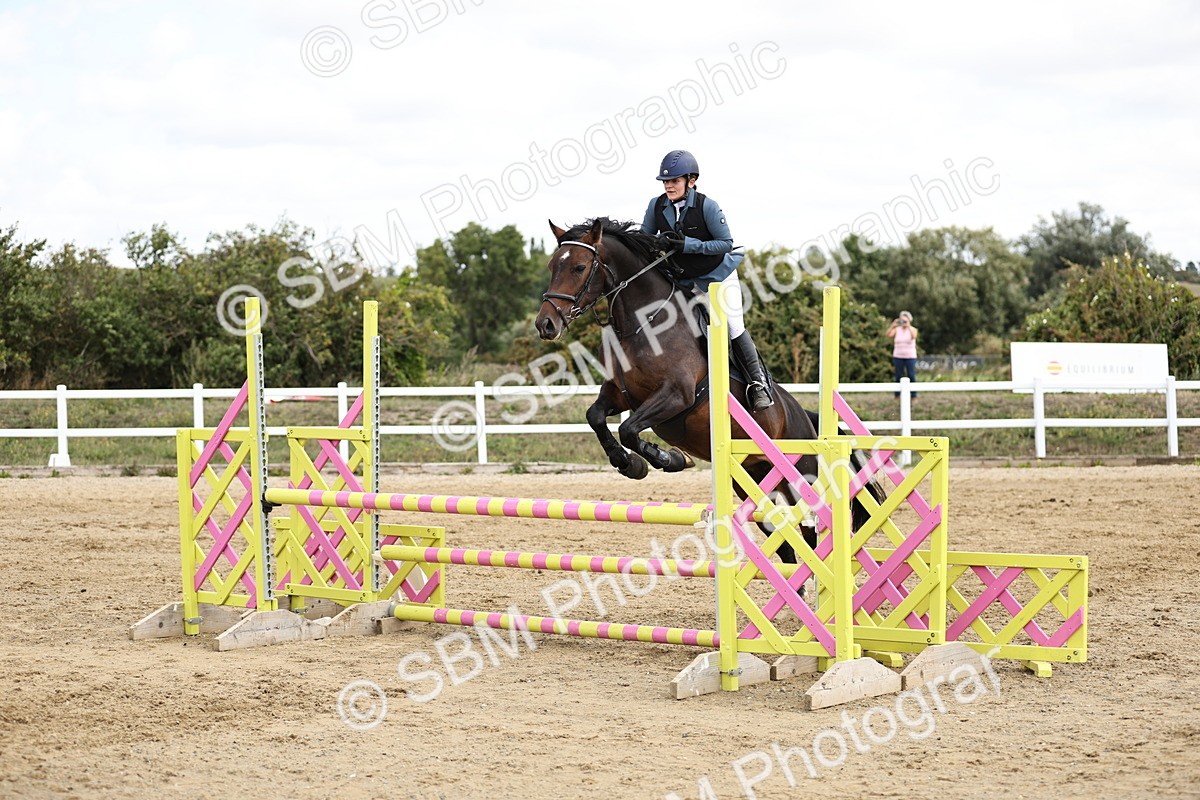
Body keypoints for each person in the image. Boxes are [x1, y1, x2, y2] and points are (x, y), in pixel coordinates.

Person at [639, 149, 774, 412]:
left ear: (690, 181)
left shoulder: (707, 206)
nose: (669, 185)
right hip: (684, 279)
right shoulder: (656, 206)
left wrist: (687, 245)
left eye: (675, 181)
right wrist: (651, 245)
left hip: (717, 277)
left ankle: (758, 384)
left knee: (733, 325)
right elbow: (644, 238)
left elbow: (726, 243)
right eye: (666, 181)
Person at [887, 310, 919, 398]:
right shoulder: (897, 330)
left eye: (905, 321)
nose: (903, 323)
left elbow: (914, 336)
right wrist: (893, 325)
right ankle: (897, 395)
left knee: (911, 375)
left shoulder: (913, 329)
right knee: (898, 375)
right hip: (898, 356)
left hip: (910, 356)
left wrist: (908, 326)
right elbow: (888, 334)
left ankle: (913, 395)